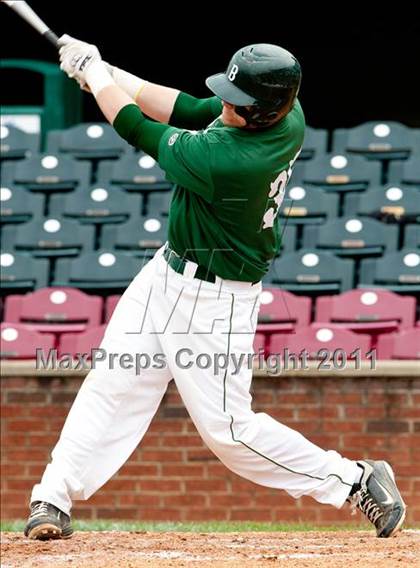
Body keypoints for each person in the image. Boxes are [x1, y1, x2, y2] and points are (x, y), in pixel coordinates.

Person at [24, 37, 406, 540]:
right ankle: (53, 496)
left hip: (215, 299)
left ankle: (355, 479)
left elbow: (136, 126)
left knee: (229, 432)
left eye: (238, 101)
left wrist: (96, 78)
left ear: (264, 111)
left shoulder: (229, 160)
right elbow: (186, 105)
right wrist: (103, 69)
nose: (226, 104)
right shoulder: (282, 113)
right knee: (113, 381)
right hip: (166, 271)